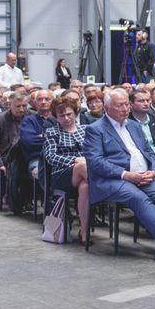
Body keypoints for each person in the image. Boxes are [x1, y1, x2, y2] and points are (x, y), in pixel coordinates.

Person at [83, 89, 155, 261]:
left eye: (127, 104)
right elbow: (95, 162)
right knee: (138, 197)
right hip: (113, 180)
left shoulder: (134, 126)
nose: (125, 108)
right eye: (120, 105)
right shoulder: (95, 129)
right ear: (107, 108)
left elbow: (149, 151)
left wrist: (153, 170)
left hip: (143, 177)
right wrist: (126, 175)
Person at [43, 95, 91, 244]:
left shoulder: (86, 129)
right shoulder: (52, 132)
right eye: (61, 115)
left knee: (85, 187)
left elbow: (94, 152)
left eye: (69, 114)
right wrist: (74, 160)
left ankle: (84, 232)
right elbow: (50, 157)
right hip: (61, 174)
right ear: (56, 117)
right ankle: (106, 189)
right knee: (82, 165)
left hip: (85, 173)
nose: (66, 118)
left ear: (75, 113)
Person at [0, 92, 31, 214]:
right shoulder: (0, 119)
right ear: (9, 105)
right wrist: (0, 163)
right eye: (18, 106)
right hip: (7, 155)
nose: (21, 109)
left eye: (24, 106)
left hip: (29, 154)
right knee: (15, 164)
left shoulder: (32, 117)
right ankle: (15, 202)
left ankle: (25, 199)